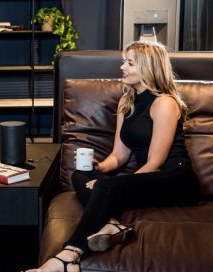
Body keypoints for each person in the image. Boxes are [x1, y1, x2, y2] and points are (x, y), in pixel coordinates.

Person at [27, 41, 200, 272]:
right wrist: (97, 167)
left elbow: (155, 163)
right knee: (80, 174)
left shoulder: (165, 103)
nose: (122, 67)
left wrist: (111, 185)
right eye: (124, 62)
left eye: (129, 63)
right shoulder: (126, 103)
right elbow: (119, 155)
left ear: (148, 68)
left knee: (106, 187)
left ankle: (68, 257)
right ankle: (111, 225)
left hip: (175, 178)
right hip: (149, 176)